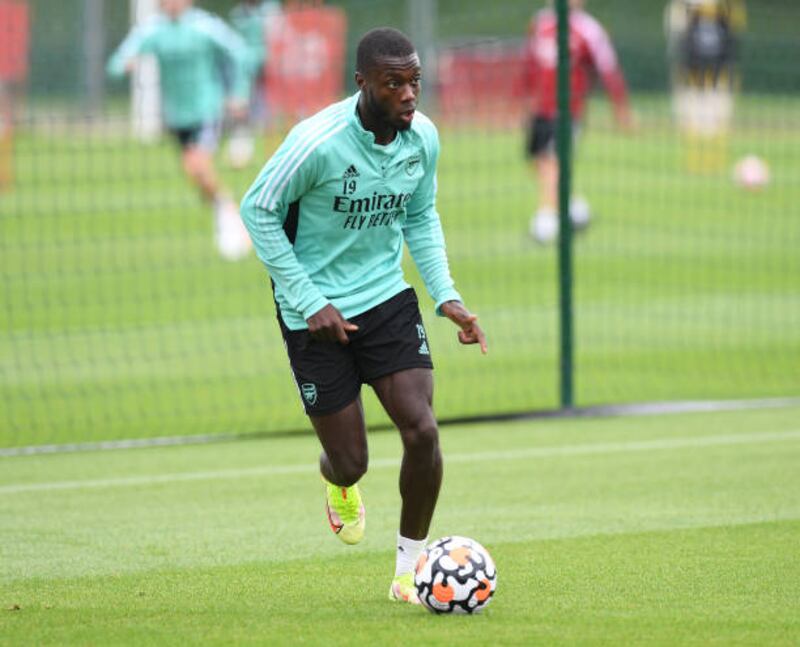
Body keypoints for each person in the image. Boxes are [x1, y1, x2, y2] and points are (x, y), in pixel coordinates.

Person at [240, 27, 487, 605]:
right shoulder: (316, 142)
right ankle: (340, 486)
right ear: (363, 84)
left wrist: (445, 295)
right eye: (393, 83)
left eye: (415, 82)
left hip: (384, 297)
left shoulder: (422, 138)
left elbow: (421, 217)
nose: (408, 95)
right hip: (313, 309)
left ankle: (409, 570)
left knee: (422, 429)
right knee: (352, 461)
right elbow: (258, 211)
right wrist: (308, 301)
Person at [107, 0, 253, 261]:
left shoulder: (206, 26)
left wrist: (238, 93)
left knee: (196, 165)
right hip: (176, 117)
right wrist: (127, 63)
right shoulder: (152, 30)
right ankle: (227, 212)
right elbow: (116, 63)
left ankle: (229, 217)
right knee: (196, 174)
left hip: (207, 111)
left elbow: (241, 53)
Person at [520, 0, 633, 244]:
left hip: (568, 110)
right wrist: (524, 98)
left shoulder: (590, 30)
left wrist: (620, 109)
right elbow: (530, 65)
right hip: (540, 109)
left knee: (552, 161)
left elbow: (608, 69)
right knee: (537, 161)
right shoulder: (540, 23)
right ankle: (574, 209)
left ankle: (546, 221)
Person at [664, 0, 746, 172]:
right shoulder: (687, 15)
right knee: (692, 120)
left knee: (717, 121)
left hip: (717, 76)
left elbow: (734, 35)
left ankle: (716, 160)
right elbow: (678, 38)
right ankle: (693, 160)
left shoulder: (726, 14)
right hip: (694, 75)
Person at [226, 0, 282, 169]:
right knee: (241, 112)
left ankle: (273, 155)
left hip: (271, 69)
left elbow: (278, 38)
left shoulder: (272, 10)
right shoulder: (238, 14)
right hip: (245, 71)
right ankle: (240, 154)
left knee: (271, 115)